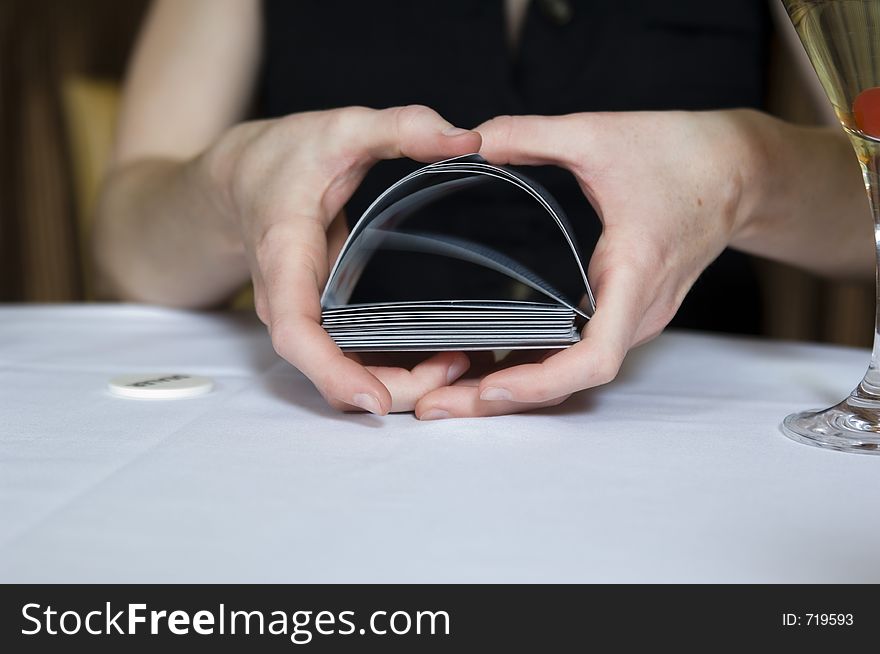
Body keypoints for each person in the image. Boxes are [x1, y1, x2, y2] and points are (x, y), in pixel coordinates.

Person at [94, 0, 872, 419]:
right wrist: (231, 180)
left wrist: (745, 172)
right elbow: (129, 240)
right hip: (333, 438)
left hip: (683, 424)